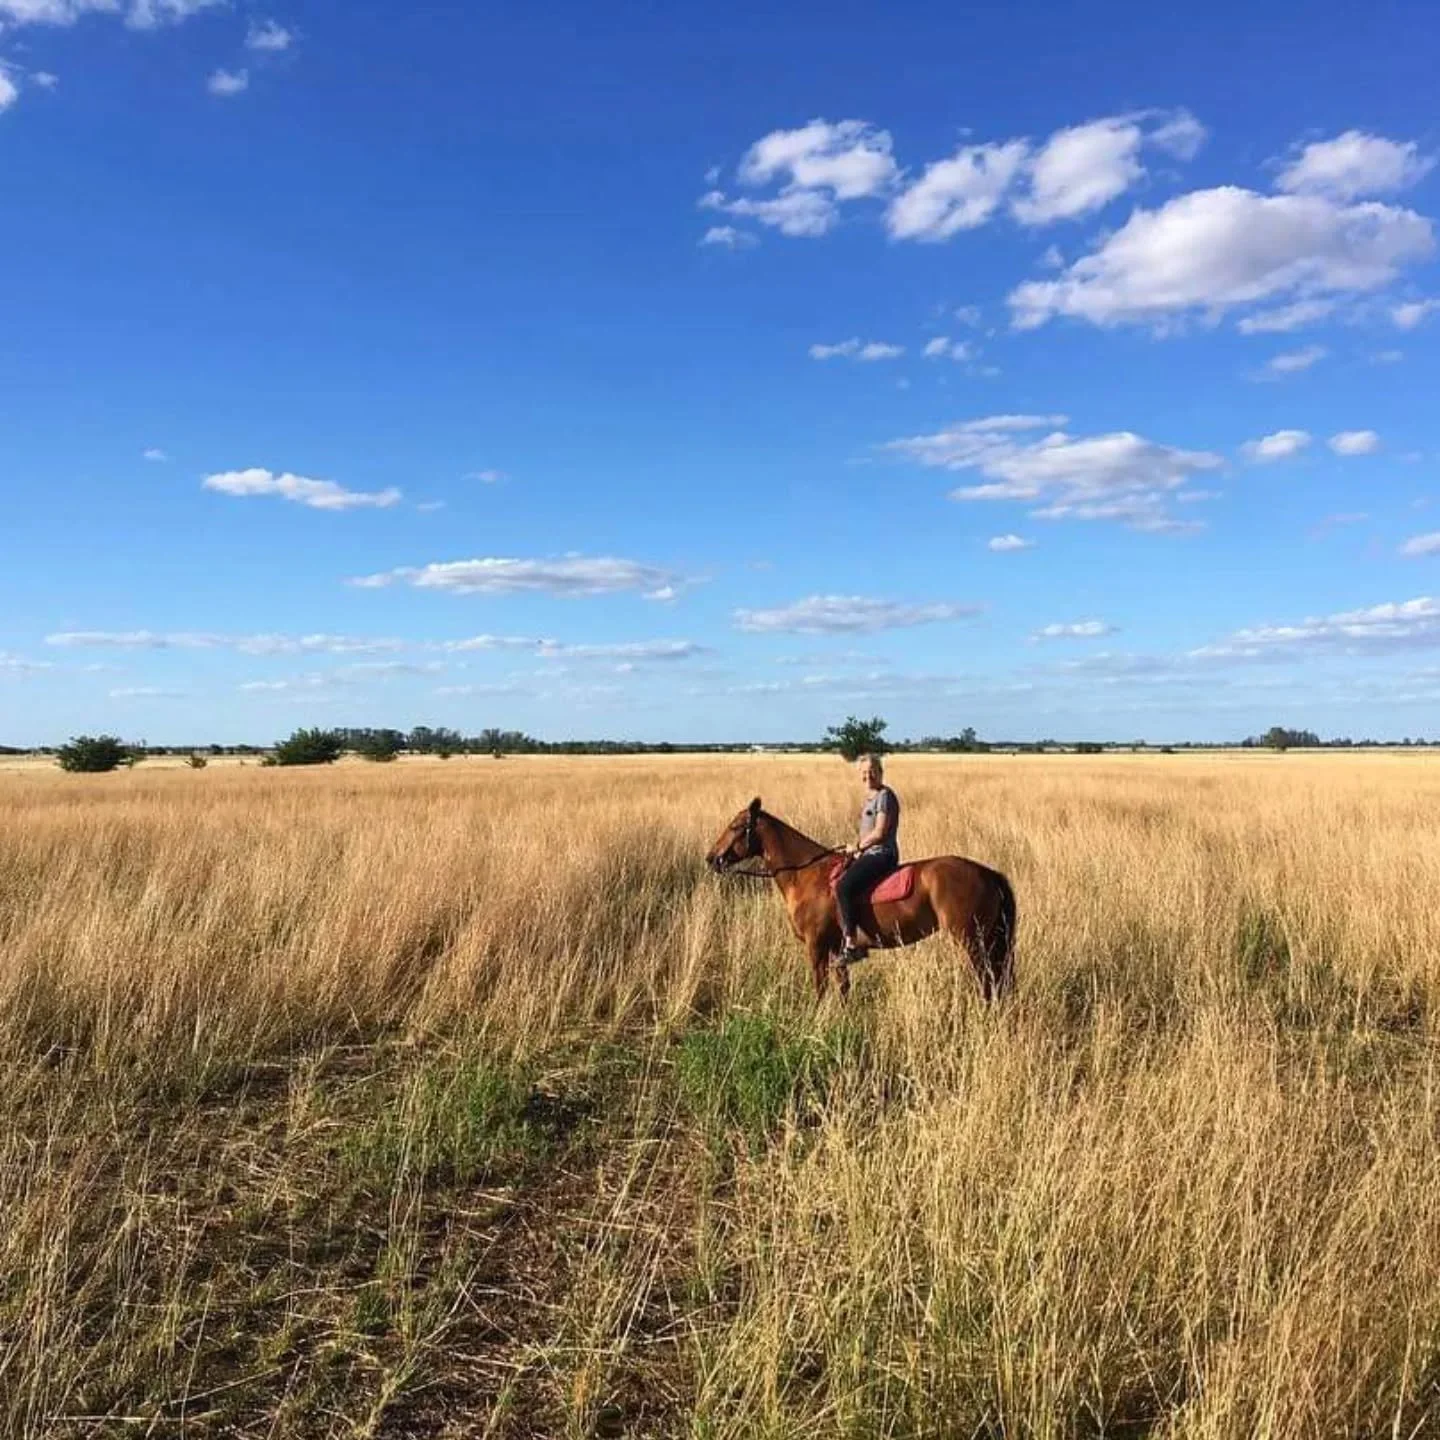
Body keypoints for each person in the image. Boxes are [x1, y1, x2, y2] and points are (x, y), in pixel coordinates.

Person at [835, 752, 900, 964]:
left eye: (872, 771)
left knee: (844, 887)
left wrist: (858, 847)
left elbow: (880, 833)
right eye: (864, 772)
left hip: (882, 854)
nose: (868, 776)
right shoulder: (870, 798)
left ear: (880, 772)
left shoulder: (884, 796)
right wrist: (855, 849)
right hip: (868, 852)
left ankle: (852, 944)